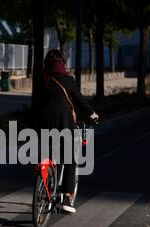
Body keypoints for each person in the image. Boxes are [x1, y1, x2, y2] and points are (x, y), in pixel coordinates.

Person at [40, 49, 99, 214]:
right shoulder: (67, 79)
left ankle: (45, 186)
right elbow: (80, 101)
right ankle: (66, 197)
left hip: (44, 122)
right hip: (63, 122)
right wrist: (92, 114)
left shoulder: (43, 80)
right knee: (70, 157)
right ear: (62, 63)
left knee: (48, 154)